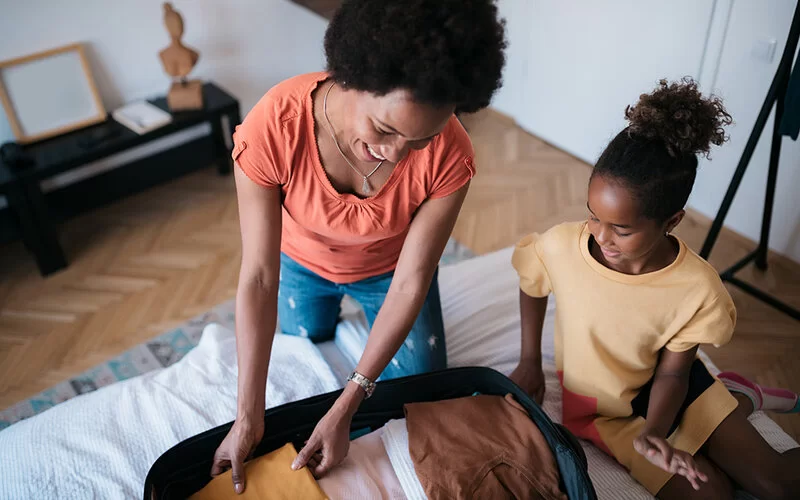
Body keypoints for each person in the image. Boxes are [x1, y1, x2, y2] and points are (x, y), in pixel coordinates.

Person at [210, 0, 506, 494]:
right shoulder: (273, 127)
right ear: (351, 75)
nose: (396, 153)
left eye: (421, 139)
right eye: (386, 130)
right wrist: (247, 416)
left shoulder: (452, 153)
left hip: (389, 274)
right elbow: (260, 276)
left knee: (421, 390)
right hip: (300, 266)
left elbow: (413, 279)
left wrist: (349, 402)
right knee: (300, 346)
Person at [509, 78, 800, 499]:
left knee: (775, 482)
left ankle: (736, 397)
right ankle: (740, 399)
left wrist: (655, 432)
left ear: (672, 221)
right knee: (712, 494)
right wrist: (529, 359)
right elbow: (531, 281)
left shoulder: (698, 289)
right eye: (593, 216)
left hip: (672, 390)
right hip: (603, 412)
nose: (601, 237)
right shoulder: (560, 246)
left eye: (621, 229)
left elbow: (674, 371)